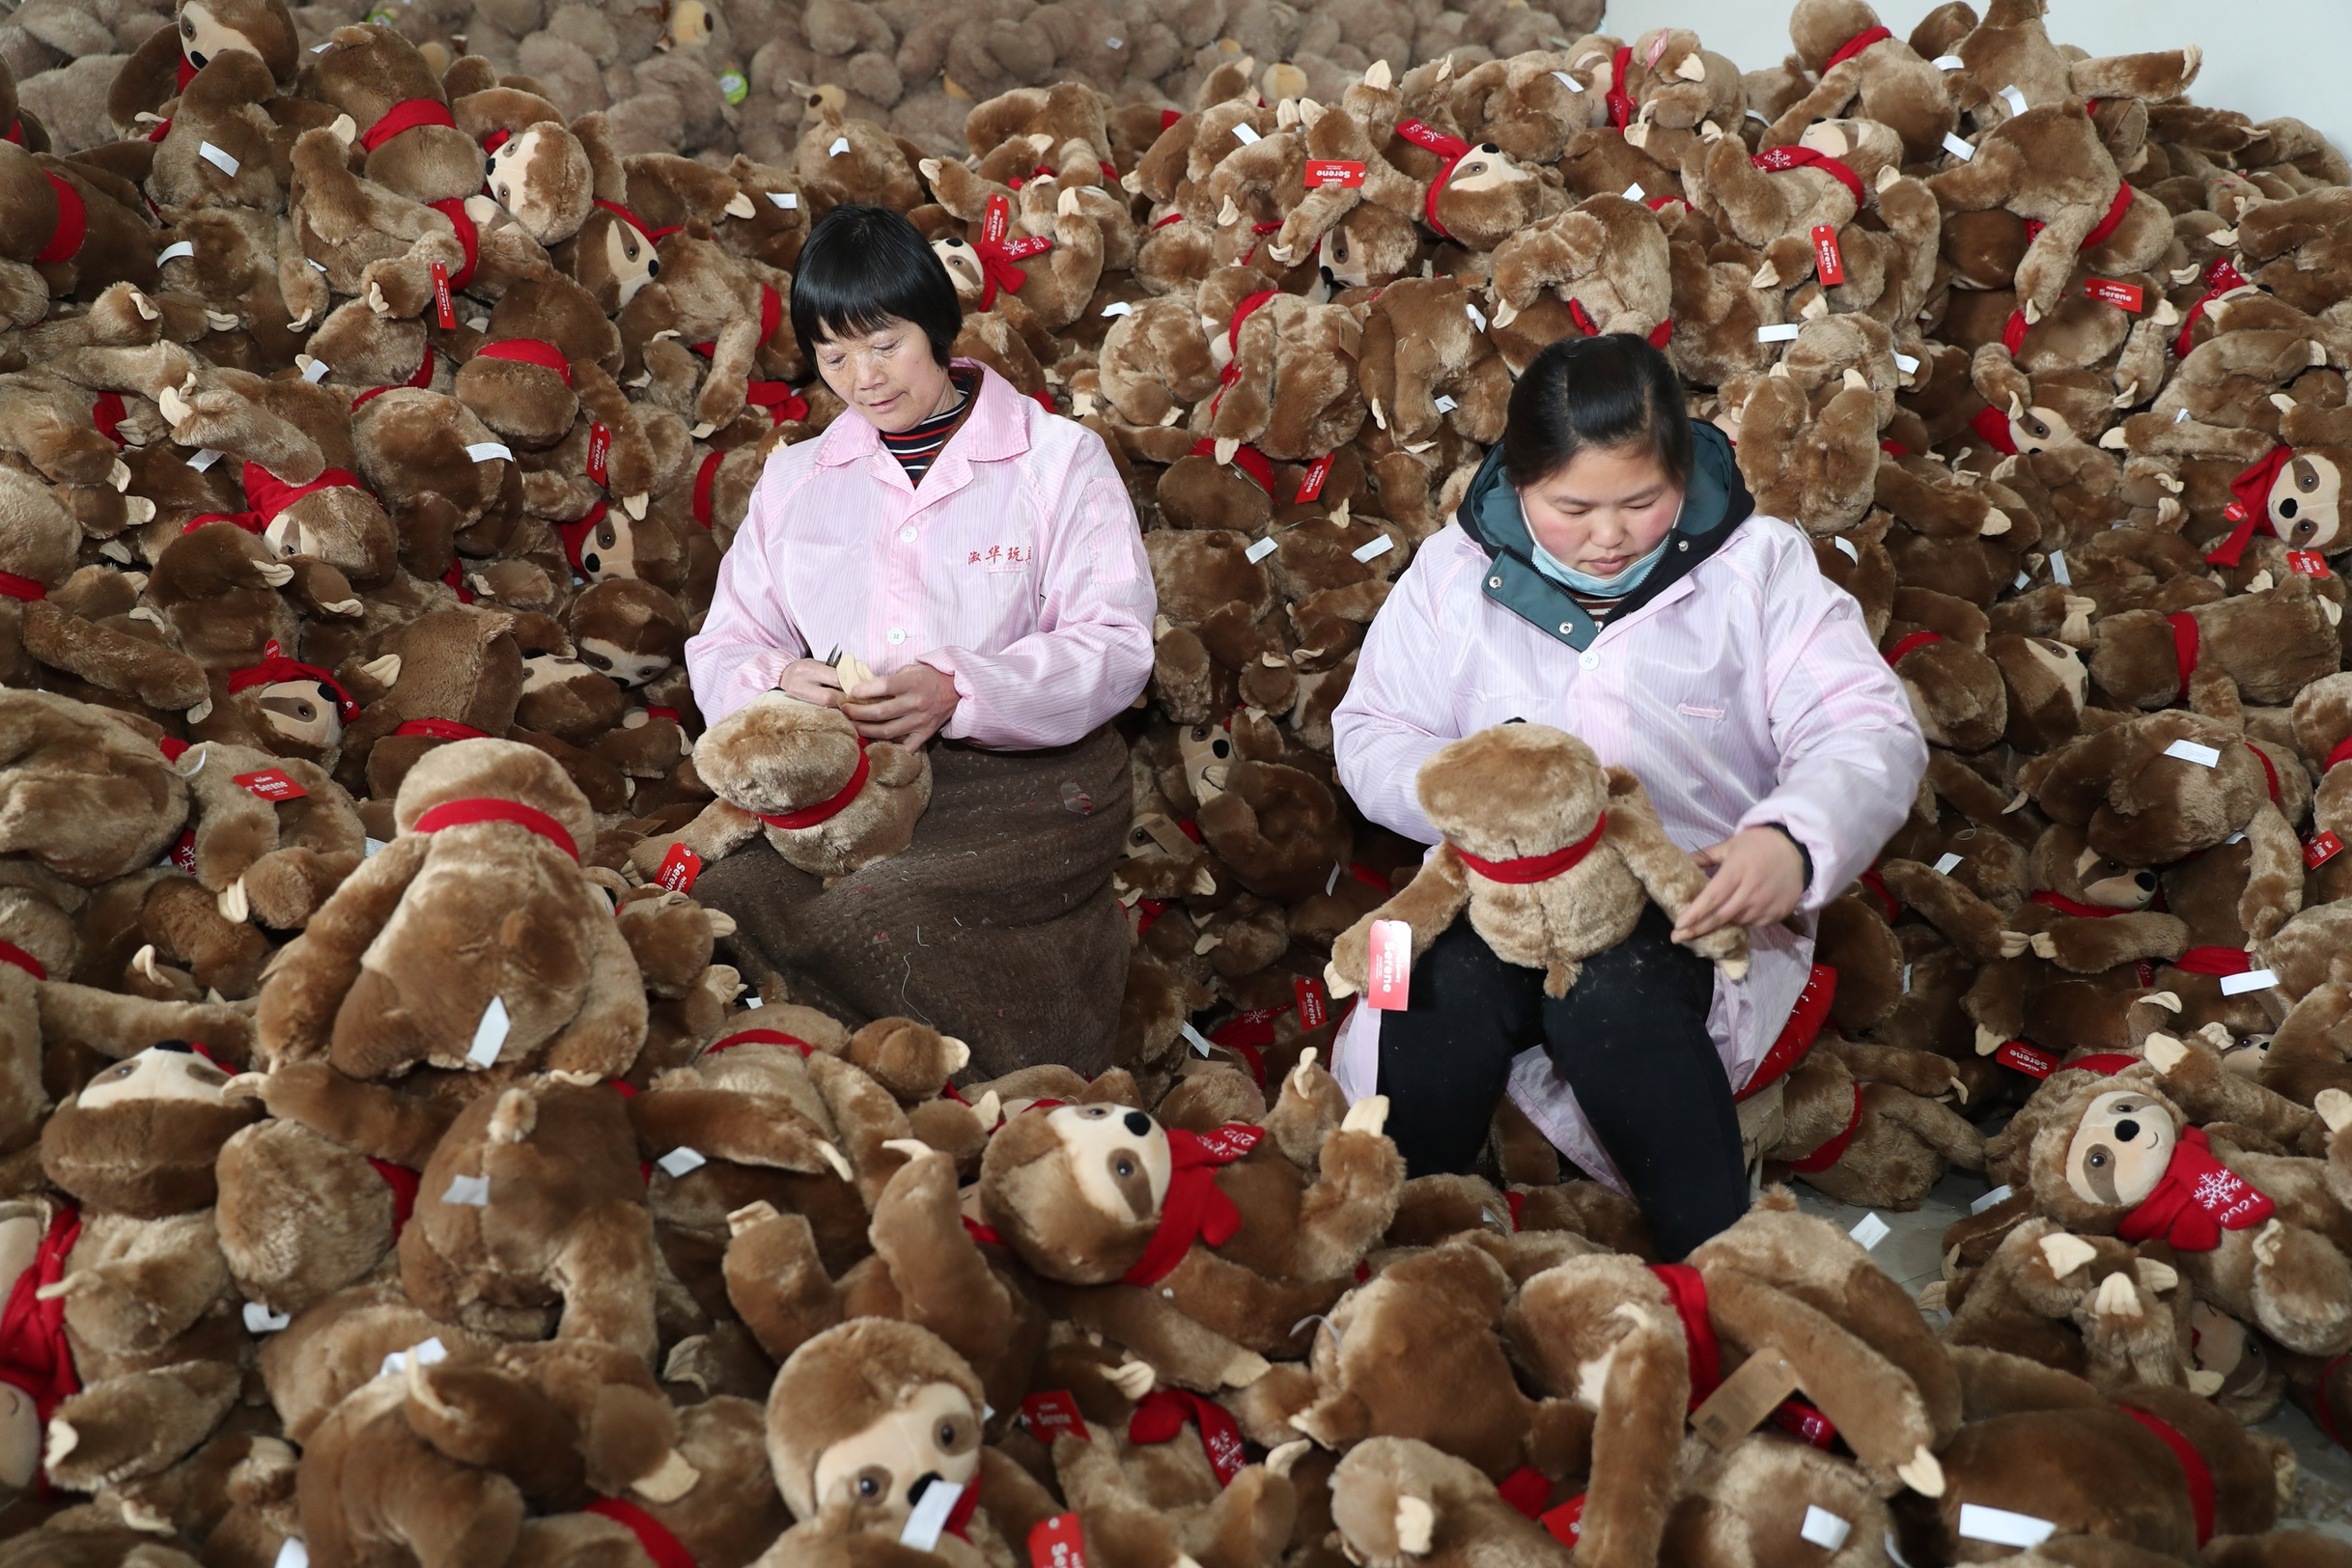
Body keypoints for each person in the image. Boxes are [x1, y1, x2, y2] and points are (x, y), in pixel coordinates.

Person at [1328, 333, 1926, 1259]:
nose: (1608, 537)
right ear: (1518, 483)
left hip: (1688, 898)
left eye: (1642, 503)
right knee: (1431, 990)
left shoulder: (1757, 568)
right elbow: (1371, 729)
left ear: (1683, 473)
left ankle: (1718, 1270)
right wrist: (1478, 803)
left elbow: (1863, 727)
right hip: (1489, 888)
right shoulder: (1454, 573)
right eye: (1572, 508)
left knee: (1616, 994)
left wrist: (1793, 840)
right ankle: (1406, 1254)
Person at [685, 204, 1155, 1076]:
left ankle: (993, 1089)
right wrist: (780, 680)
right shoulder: (797, 479)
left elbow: (1116, 643)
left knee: (875, 910)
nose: (864, 378)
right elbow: (722, 644)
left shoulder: (1058, 461)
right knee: (726, 899)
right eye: (834, 357)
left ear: (937, 326)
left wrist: (963, 689)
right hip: (848, 775)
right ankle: (824, 1081)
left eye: (884, 344)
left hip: (1032, 778)